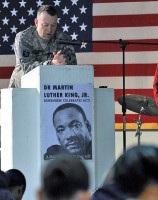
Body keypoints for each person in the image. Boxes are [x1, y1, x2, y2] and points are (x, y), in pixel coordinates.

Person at [9, 5, 77, 88]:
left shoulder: (64, 39)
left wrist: (63, 62)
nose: (49, 30)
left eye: (53, 25)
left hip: (52, 90)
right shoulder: (24, 38)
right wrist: (51, 64)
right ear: (36, 22)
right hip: (22, 89)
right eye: (45, 25)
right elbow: (27, 67)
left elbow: (73, 68)